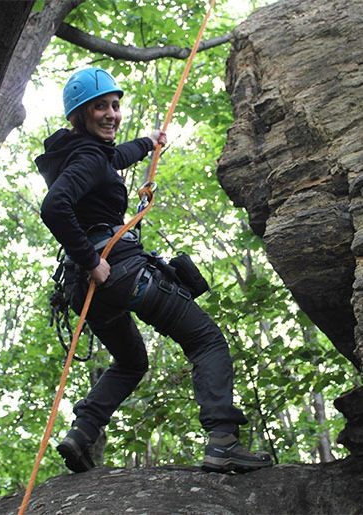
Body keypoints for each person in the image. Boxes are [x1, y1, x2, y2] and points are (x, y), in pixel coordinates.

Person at [36, 67, 272, 474]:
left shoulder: (81, 152)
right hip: (117, 271)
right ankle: (222, 441)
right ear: (80, 115)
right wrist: (95, 262)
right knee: (207, 341)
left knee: (131, 361)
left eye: (115, 105)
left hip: (84, 286)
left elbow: (113, 157)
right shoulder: (90, 157)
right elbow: (54, 207)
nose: (111, 113)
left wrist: (147, 144)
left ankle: (81, 433)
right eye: (100, 107)